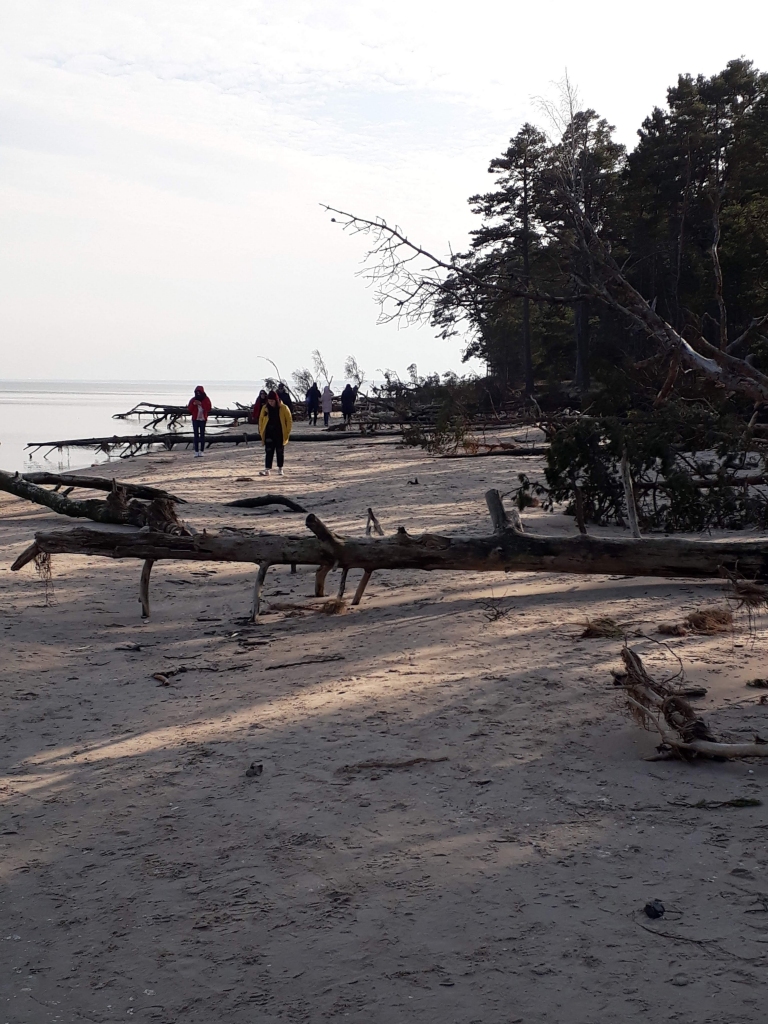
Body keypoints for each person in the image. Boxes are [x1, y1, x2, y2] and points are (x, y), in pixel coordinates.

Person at [258, 389, 292, 476]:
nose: (271, 403)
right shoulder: (265, 408)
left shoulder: (284, 408)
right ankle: (267, 469)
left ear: (276, 400)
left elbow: (289, 420)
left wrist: (287, 432)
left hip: (280, 433)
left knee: (280, 451)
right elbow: (261, 420)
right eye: (269, 401)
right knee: (268, 451)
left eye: (272, 401)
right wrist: (261, 430)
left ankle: (280, 468)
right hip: (268, 433)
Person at [188, 385, 212, 457]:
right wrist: (193, 404)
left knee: (202, 435)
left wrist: (201, 404)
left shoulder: (206, 399)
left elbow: (209, 408)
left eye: (199, 392)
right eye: (197, 393)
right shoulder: (193, 400)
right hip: (195, 419)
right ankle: (196, 451)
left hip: (203, 419)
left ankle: (201, 451)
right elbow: (190, 410)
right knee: (196, 435)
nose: (198, 394)